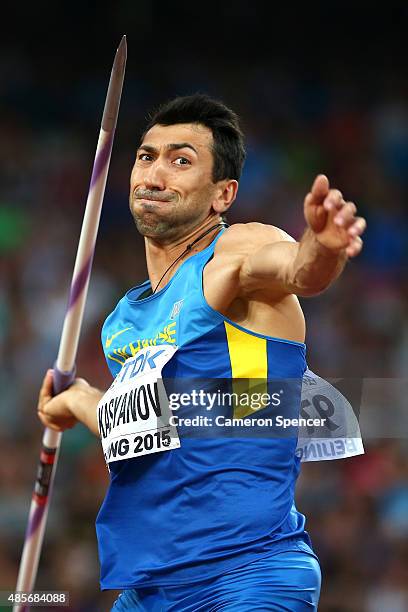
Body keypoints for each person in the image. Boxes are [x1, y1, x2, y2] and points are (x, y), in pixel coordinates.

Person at [37, 94, 366, 611]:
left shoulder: (233, 255)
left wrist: (321, 246)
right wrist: (78, 400)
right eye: (147, 156)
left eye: (181, 160)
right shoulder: (123, 322)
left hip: (247, 576)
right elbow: (149, 428)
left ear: (222, 194)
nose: (155, 172)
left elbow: (297, 270)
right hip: (148, 591)